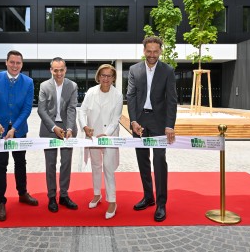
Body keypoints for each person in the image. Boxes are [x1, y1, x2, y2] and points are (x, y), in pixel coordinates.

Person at [0, 50, 38, 221]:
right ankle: (1, 202)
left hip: (19, 131)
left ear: (22, 64)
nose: (15, 66)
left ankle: (22, 193)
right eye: (12, 62)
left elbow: (27, 108)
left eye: (18, 63)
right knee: (1, 164)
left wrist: (15, 128)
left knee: (20, 162)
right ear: (6, 62)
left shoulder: (28, 82)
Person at [126, 36, 177, 222]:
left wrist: (170, 125)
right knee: (142, 160)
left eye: (156, 51)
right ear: (144, 51)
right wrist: (133, 121)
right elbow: (130, 96)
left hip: (159, 122)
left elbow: (172, 99)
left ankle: (161, 204)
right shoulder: (134, 70)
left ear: (160, 51)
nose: (152, 55)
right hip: (139, 122)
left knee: (159, 160)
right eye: (149, 51)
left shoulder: (167, 71)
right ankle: (148, 197)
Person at [78, 64, 123, 219]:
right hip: (93, 135)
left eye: (109, 76)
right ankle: (97, 194)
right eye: (103, 75)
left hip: (109, 136)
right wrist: (84, 126)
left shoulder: (117, 95)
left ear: (113, 78)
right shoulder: (91, 92)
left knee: (108, 168)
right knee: (96, 166)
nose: (105, 78)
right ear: (98, 77)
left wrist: (107, 134)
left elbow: (116, 119)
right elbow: (82, 111)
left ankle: (112, 201)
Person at [37, 57, 79, 213]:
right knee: (50, 164)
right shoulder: (44, 86)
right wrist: (54, 127)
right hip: (49, 129)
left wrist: (69, 128)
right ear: (51, 70)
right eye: (56, 70)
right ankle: (51, 197)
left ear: (65, 69)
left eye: (61, 70)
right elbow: (41, 110)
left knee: (66, 163)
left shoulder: (72, 86)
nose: (59, 73)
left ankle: (64, 195)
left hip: (67, 129)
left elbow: (72, 109)